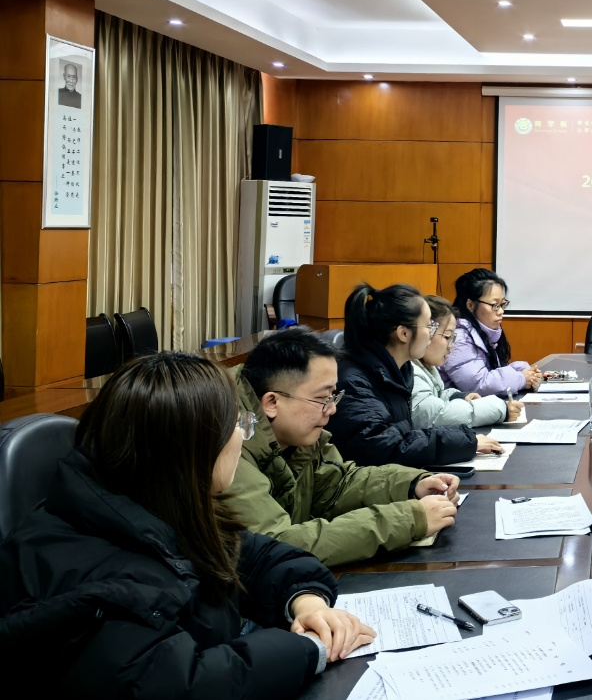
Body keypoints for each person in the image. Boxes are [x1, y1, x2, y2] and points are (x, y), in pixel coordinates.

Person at [0, 352, 375, 697]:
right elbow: (183, 685)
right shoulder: (104, 575)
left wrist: (306, 603)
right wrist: (308, 648)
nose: (241, 437)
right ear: (191, 448)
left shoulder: (150, 504)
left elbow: (259, 557)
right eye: (236, 424)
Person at [228, 328, 462, 567]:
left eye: (333, 396)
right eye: (322, 399)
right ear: (271, 402)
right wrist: (410, 519)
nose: (332, 410)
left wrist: (412, 484)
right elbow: (277, 545)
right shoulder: (228, 447)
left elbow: (337, 484)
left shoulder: (295, 434)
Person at [335, 282, 504, 468]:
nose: (432, 334)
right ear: (403, 333)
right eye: (429, 326)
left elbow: (405, 435)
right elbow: (384, 448)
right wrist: (466, 442)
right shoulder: (356, 382)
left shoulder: (397, 371)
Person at [412, 295, 522, 428]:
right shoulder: (411, 372)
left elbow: (436, 396)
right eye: (447, 337)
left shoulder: (426, 367)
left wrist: (459, 396)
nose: (452, 345)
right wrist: (499, 409)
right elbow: (435, 415)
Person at [443, 268, 542, 397]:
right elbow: (479, 385)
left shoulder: (484, 333)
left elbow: (491, 372)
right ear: (470, 305)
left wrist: (524, 372)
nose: (501, 311)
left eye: (502, 304)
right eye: (495, 305)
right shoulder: (459, 339)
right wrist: (521, 379)